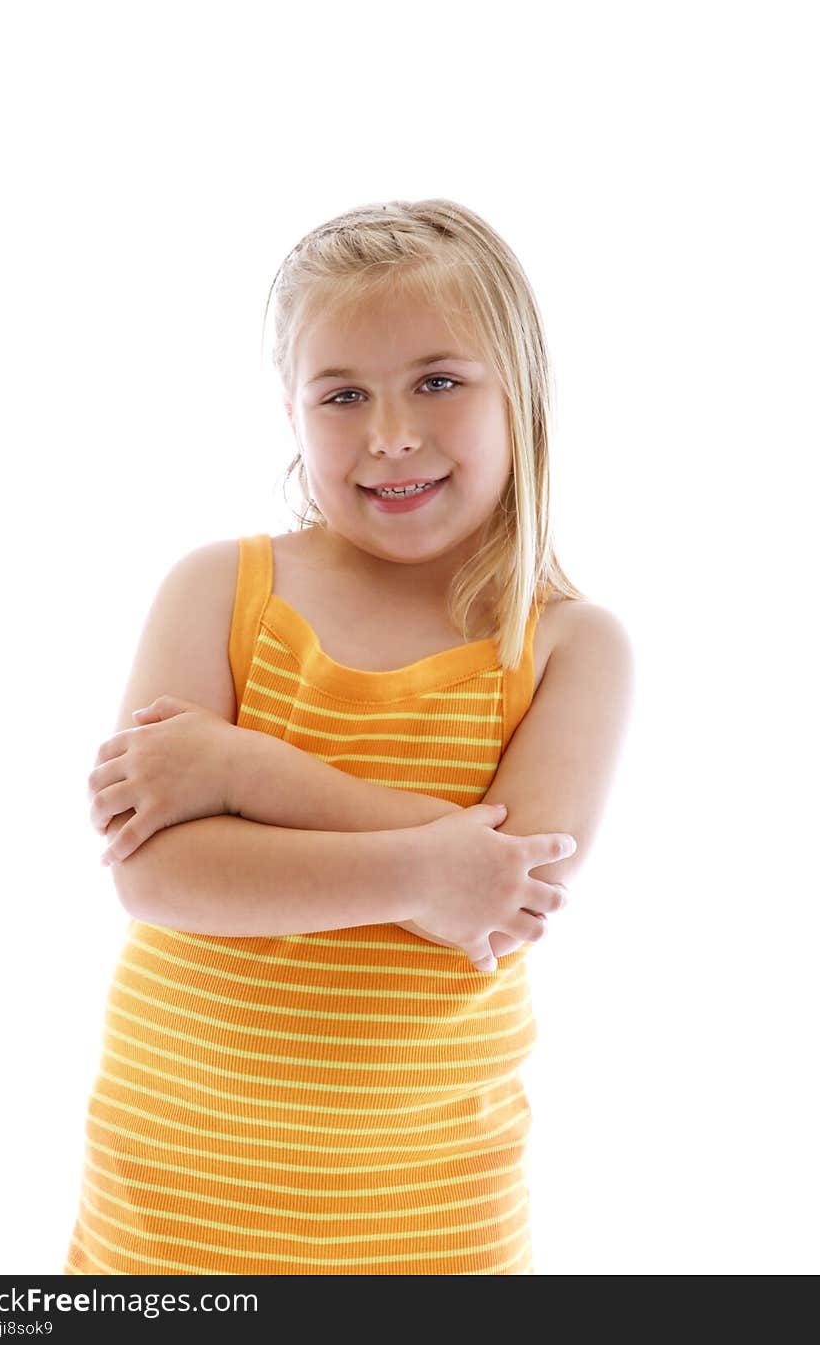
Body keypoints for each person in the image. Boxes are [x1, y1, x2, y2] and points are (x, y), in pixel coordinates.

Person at [63, 197, 634, 1276]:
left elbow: (505, 892)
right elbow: (163, 878)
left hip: (427, 1220)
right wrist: (428, 867)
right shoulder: (219, 588)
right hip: (172, 1205)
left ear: (521, 392)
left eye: (437, 380)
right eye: (342, 394)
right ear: (291, 411)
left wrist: (244, 771)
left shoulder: (570, 647)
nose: (390, 434)